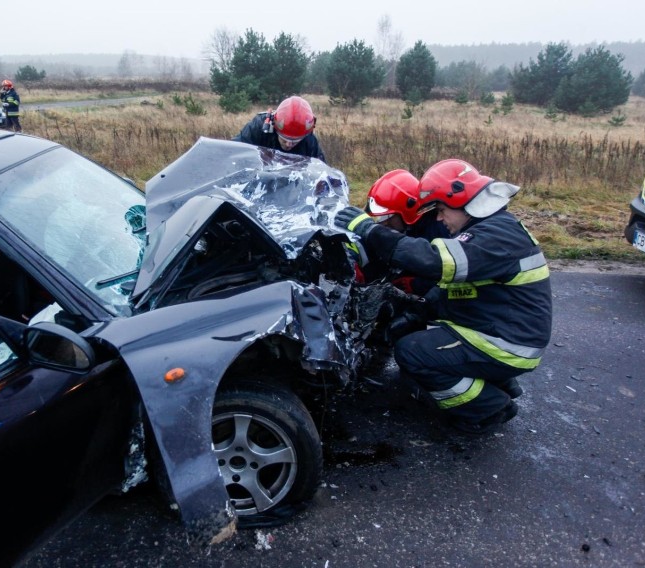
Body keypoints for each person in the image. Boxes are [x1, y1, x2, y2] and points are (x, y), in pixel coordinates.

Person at [334, 159, 553, 434]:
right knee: (422, 337)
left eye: (441, 209)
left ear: (462, 202)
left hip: (509, 341)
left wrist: (370, 229)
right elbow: (453, 288)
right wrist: (416, 313)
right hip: (501, 328)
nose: (438, 218)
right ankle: (499, 381)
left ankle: (489, 407)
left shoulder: (495, 236)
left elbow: (434, 262)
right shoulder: (493, 228)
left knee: (412, 352)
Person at [233, 95, 325, 162]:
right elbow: (233, 151)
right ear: (274, 126)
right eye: (284, 139)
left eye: (295, 141)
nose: (289, 144)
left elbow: (321, 170)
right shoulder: (258, 127)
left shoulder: (309, 141)